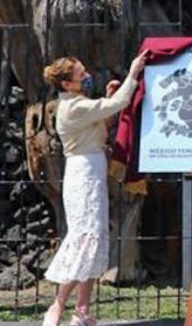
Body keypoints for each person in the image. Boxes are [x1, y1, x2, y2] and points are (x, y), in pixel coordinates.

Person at [42, 51, 148, 326]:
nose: (87, 76)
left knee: (94, 239)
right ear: (67, 83)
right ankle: (58, 305)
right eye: (81, 74)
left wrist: (108, 96)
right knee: (84, 239)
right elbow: (122, 102)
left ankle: (82, 309)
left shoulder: (79, 103)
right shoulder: (72, 107)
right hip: (83, 174)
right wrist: (133, 72)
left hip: (92, 170)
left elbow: (103, 124)